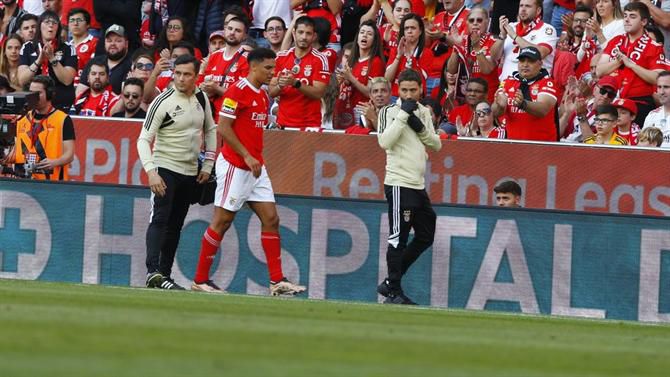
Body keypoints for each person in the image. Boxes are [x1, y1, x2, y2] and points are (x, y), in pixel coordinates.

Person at [191, 48, 307, 296]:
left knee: (272, 219)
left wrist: (254, 158)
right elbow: (223, 127)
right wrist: (246, 154)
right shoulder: (237, 91)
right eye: (268, 68)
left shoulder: (263, 95)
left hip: (255, 167)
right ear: (253, 67)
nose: (272, 73)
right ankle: (200, 280)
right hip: (236, 165)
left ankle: (277, 281)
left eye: (273, 68)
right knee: (222, 221)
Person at [138, 54, 217, 290]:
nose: (181, 79)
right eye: (178, 74)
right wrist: (152, 172)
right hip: (165, 168)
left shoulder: (202, 98)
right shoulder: (162, 101)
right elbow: (143, 139)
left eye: (187, 74)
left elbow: (211, 130)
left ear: (196, 76)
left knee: (175, 224)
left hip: (190, 171)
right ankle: (153, 272)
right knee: (160, 219)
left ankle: (164, 274)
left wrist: (208, 165)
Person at [376, 68, 441, 305]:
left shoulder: (424, 112)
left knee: (426, 234)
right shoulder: (389, 112)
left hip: (417, 184)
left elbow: (436, 145)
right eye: (404, 90)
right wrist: (403, 116)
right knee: (398, 238)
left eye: (413, 90)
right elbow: (385, 141)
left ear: (421, 89)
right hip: (398, 182)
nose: (409, 95)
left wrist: (420, 125)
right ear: (398, 91)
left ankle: (391, 282)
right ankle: (393, 291)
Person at [597, 2, 670, 126]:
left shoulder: (654, 47)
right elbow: (599, 71)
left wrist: (632, 65)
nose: (627, 20)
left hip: (640, 103)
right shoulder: (616, 41)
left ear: (644, 22)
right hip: (614, 100)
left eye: (632, 16)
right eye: (625, 16)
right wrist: (618, 61)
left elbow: (657, 78)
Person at [9, 75, 75, 181]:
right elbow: (16, 151)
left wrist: (55, 162)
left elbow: (69, 154)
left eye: (38, 93)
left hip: (52, 183)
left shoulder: (63, 119)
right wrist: (6, 157)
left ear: (49, 94)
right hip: (22, 182)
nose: (33, 97)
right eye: (31, 92)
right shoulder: (21, 118)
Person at [269, 16, 330, 129]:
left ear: (314, 36)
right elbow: (271, 92)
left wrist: (295, 83)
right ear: (294, 33)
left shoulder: (320, 59)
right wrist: (280, 86)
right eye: (300, 32)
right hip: (282, 123)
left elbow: (318, 93)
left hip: (309, 125)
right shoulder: (281, 57)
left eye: (308, 33)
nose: (304, 37)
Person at [493, 46, 558, 142]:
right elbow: (494, 112)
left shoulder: (547, 82)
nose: (525, 65)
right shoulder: (508, 82)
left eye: (530, 61)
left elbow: (543, 109)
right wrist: (500, 106)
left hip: (542, 147)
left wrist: (523, 104)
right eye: (522, 61)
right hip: (514, 147)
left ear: (540, 64)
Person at [18, 11, 78, 112]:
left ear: (58, 28)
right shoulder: (28, 47)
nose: (51, 25)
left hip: (60, 103)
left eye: (54, 23)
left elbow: (67, 80)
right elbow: (22, 80)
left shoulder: (68, 48)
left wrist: (52, 58)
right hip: (34, 103)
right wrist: (38, 61)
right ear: (39, 26)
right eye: (47, 22)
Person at [333, 20, 385, 130]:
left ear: (374, 40)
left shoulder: (376, 62)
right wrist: (343, 81)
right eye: (362, 32)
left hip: (361, 112)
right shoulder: (352, 61)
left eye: (369, 34)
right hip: (344, 110)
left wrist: (351, 78)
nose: (365, 35)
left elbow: (370, 92)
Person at [198, 16, 250, 121]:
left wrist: (216, 88)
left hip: (233, 119)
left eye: (238, 30)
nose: (232, 33)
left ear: (244, 36)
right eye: (230, 29)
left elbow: (243, 97)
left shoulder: (248, 59)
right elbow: (204, 84)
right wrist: (205, 87)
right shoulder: (214, 56)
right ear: (225, 30)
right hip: (210, 116)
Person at [446, 6, 501, 103]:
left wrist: (476, 48)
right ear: (467, 23)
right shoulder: (463, 41)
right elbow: (451, 70)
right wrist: (456, 46)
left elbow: (486, 70)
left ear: (487, 22)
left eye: (479, 20)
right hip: (468, 97)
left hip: (488, 98)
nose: (475, 23)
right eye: (471, 21)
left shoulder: (494, 41)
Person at [499, 0, 558, 81]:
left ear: (538, 11)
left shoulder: (546, 29)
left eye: (528, 6)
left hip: (534, 87)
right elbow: (494, 58)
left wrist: (514, 36)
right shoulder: (511, 26)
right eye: (521, 6)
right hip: (505, 86)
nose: (523, 9)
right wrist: (502, 36)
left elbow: (540, 53)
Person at [78, 24, 133, 95]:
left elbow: (124, 98)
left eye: (118, 41)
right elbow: (80, 91)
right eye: (109, 41)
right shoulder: (94, 62)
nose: (113, 44)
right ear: (104, 43)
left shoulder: (131, 65)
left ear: (126, 44)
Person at [385, 13, 428, 100]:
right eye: (406, 28)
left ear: (420, 31)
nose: (409, 31)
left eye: (413, 28)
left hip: (416, 98)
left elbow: (421, 79)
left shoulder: (426, 53)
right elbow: (388, 78)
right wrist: (398, 56)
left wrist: (410, 57)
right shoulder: (396, 50)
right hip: (395, 96)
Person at [560, 75, 617, 142]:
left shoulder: (609, 118)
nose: (605, 96)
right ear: (595, 90)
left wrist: (582, 117)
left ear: (613, 98)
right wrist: (567, 113)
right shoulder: (584, 103)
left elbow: (592, 144)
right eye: (603, 91)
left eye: (610, 94)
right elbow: (557, 133)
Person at [67, 7, 98, 85]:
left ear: (88, 24)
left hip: (86, 87)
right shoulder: (66, 47)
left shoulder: (95, 43)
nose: (75, 24)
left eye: (79, 20)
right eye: (72, 20)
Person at [642, 70, 670, 147]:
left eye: (666, 87)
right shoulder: (652, 115)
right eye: (659, 87)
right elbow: (643, 146)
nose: (661, 92)